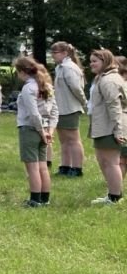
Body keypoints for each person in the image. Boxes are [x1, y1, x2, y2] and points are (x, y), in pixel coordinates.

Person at [14, 56, 56, 208]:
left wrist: (41, 131)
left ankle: (35, 199)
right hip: (44, 128)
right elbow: (54, 111)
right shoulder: (47, 86)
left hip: (30, 129)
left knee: (32, 167)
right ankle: (45, 198)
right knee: (43, 166)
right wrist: (49, 130)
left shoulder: (28, 88)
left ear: (22, 72)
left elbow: (33, 113)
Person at [85, 49, 126, 205]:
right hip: (103, 126)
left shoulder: (109, 80)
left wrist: (117, 130)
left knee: (111, 162)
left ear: (106, 61)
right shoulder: (102, 78)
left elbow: (114, 106)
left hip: (110, 127)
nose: (91, 64)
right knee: (103, 160)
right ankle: (111, 194)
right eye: (91, 61)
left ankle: (115, 197)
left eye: (95, 61)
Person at [51, 41, 87, 177]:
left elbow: (76, 88)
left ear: (65, 53)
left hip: (70, 108)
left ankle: (77, 168)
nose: (53, 55)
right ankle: (65, 166)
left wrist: (84, 102)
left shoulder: (69, 68)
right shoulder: (60, 67)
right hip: (60, 108)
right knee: (63, 140)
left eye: (55, 53)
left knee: (73, 139)